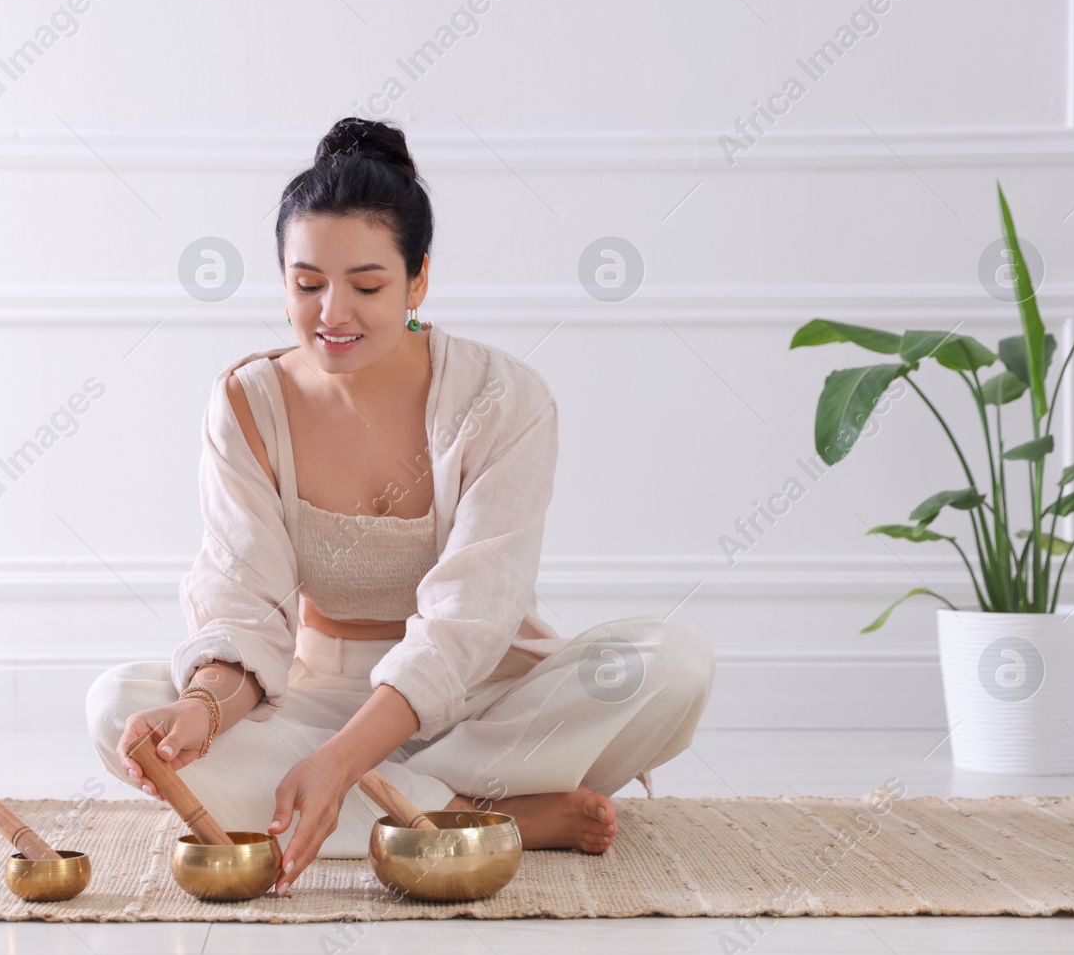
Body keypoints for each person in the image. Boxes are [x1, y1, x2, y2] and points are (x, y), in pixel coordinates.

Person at [86, 117, 715, 897]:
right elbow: (245, 604)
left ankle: (400, 803)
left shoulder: (502, 399)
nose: (332, 314)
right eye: (307, 284)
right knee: (117, 702)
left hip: (482, 693)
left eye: (368, 286)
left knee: (676, 664)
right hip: (316, 694)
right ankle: (484, 813)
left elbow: (470, 620)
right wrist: (203, 710)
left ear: (419, 280)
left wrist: (342, 763)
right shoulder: (247, 401)